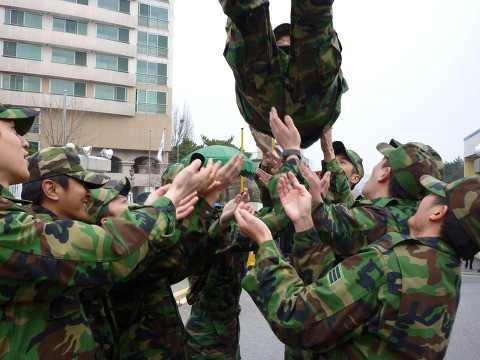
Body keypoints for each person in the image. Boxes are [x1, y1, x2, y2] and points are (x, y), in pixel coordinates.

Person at [0, 105, 213, 360]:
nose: (25, 143)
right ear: (52, 190)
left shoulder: (16, 219)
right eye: (13, 130)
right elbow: (113, 250)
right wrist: (170, 202)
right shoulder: (10, 228)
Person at [236, 172, 480, 358]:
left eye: (430, 194)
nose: (421, 199)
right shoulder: (445, 268)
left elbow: (296, 318)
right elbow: (339, 296)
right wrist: (303, 223)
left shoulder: (390, 263)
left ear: (437, 213)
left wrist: (265, 244)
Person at [88, 156, 247, 359]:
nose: (135, 208)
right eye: (123, 204)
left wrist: (214, 211)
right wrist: (203, 199)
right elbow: (167, 257)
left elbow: (183, 257)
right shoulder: (117, 260)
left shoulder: (139, 248)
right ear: (107, 221)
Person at [219, 0, 348, 147]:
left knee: (311, 31)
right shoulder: (267, 60)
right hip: (267, 108)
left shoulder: (305, 59)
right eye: (280, 40)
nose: (286, 42)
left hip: (311, 109)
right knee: (253, 37)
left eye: (290, 40)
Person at [186, 190, 252, 359]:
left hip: (230, 324)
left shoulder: (229, 229)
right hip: (207, 329)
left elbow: (242, 242)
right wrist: (223, 221)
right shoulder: (198, 234)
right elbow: (213, 243)